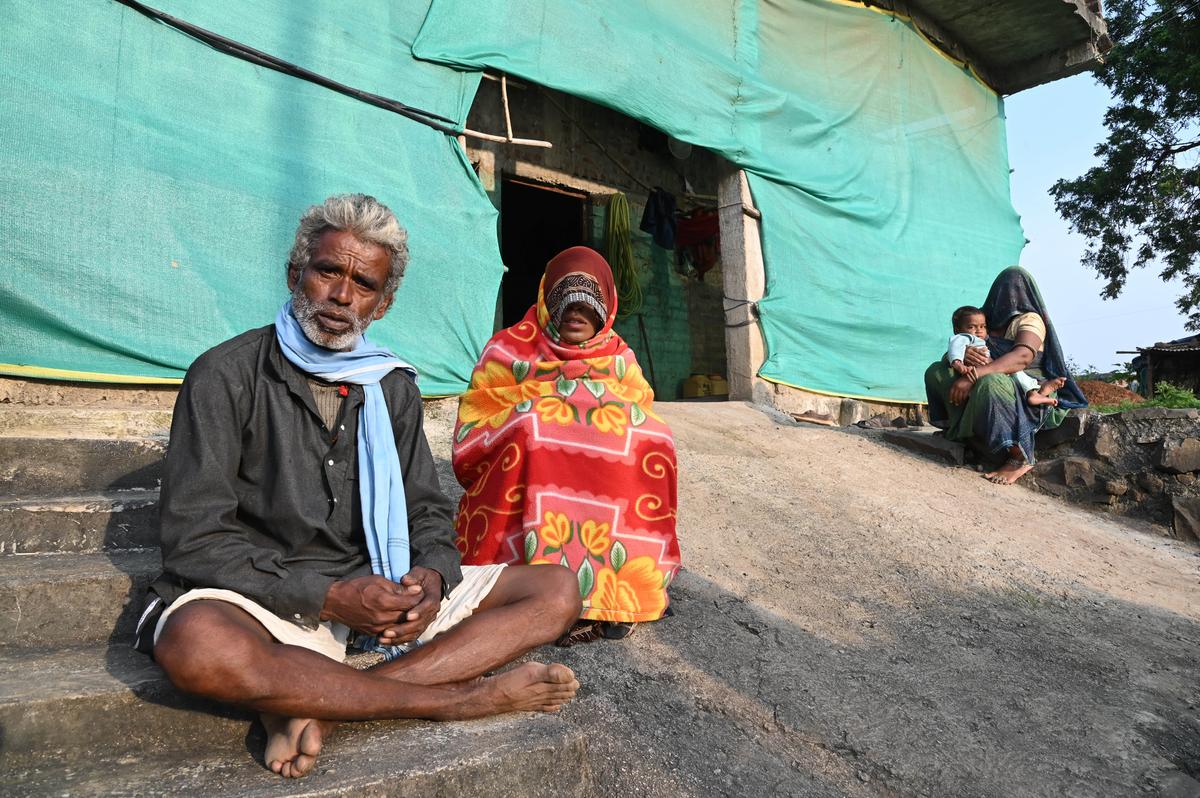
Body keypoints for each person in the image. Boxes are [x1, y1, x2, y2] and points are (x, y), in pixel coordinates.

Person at [135, 195, 582, 779]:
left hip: (376, 588)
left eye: (363, 284)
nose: (341, 297)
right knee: (198, 646)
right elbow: (195, 542)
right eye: (327, 272)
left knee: (556, 590)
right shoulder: (225, 374)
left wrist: (431, 577)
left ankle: (320, 706)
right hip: (265, 598)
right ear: (296, 274)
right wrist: (326, 597)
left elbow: (424, 506)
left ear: (384, 301)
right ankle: (457, 699)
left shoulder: (388, 385)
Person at [452, 246, 681, 643]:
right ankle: (526, 584)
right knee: (536, 424)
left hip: (602, 497)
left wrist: (583, 411)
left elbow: (640, 413)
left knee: (649, 436)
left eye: (589, 306)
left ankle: (613, 591)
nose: (577, 315)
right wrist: (540, 411)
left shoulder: (620, 359)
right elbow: (475, 420)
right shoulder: (508, 350)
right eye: (565, 303)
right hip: (518, 491)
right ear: (545, 303)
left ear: (606, 310)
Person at [925, 267, 1087, 485]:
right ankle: (961, 434)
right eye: (1003, 291)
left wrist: (972, 376)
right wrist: (962, 356)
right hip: (986, 372)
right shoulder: (986, 319)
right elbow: (961, 344)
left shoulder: (1030, 319)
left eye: (1015, 290)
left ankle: (1018, 456)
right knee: (938, 371)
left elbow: (1022, 357)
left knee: (992, 383)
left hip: (1026, 381)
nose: (1009, 297)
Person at [946, 305, 1065, 409]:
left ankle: (1036, 392)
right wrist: (958, 362)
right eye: (972, 327)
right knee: (993, 381)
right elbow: (954, 348)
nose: (979, 331)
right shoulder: (962, 337)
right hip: (978, 370)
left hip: (992, 367)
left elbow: (1022, 356)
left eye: (983, 326)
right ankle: (1036, 392)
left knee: (1016, 372)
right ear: (958, 329)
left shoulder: (1029, 319)